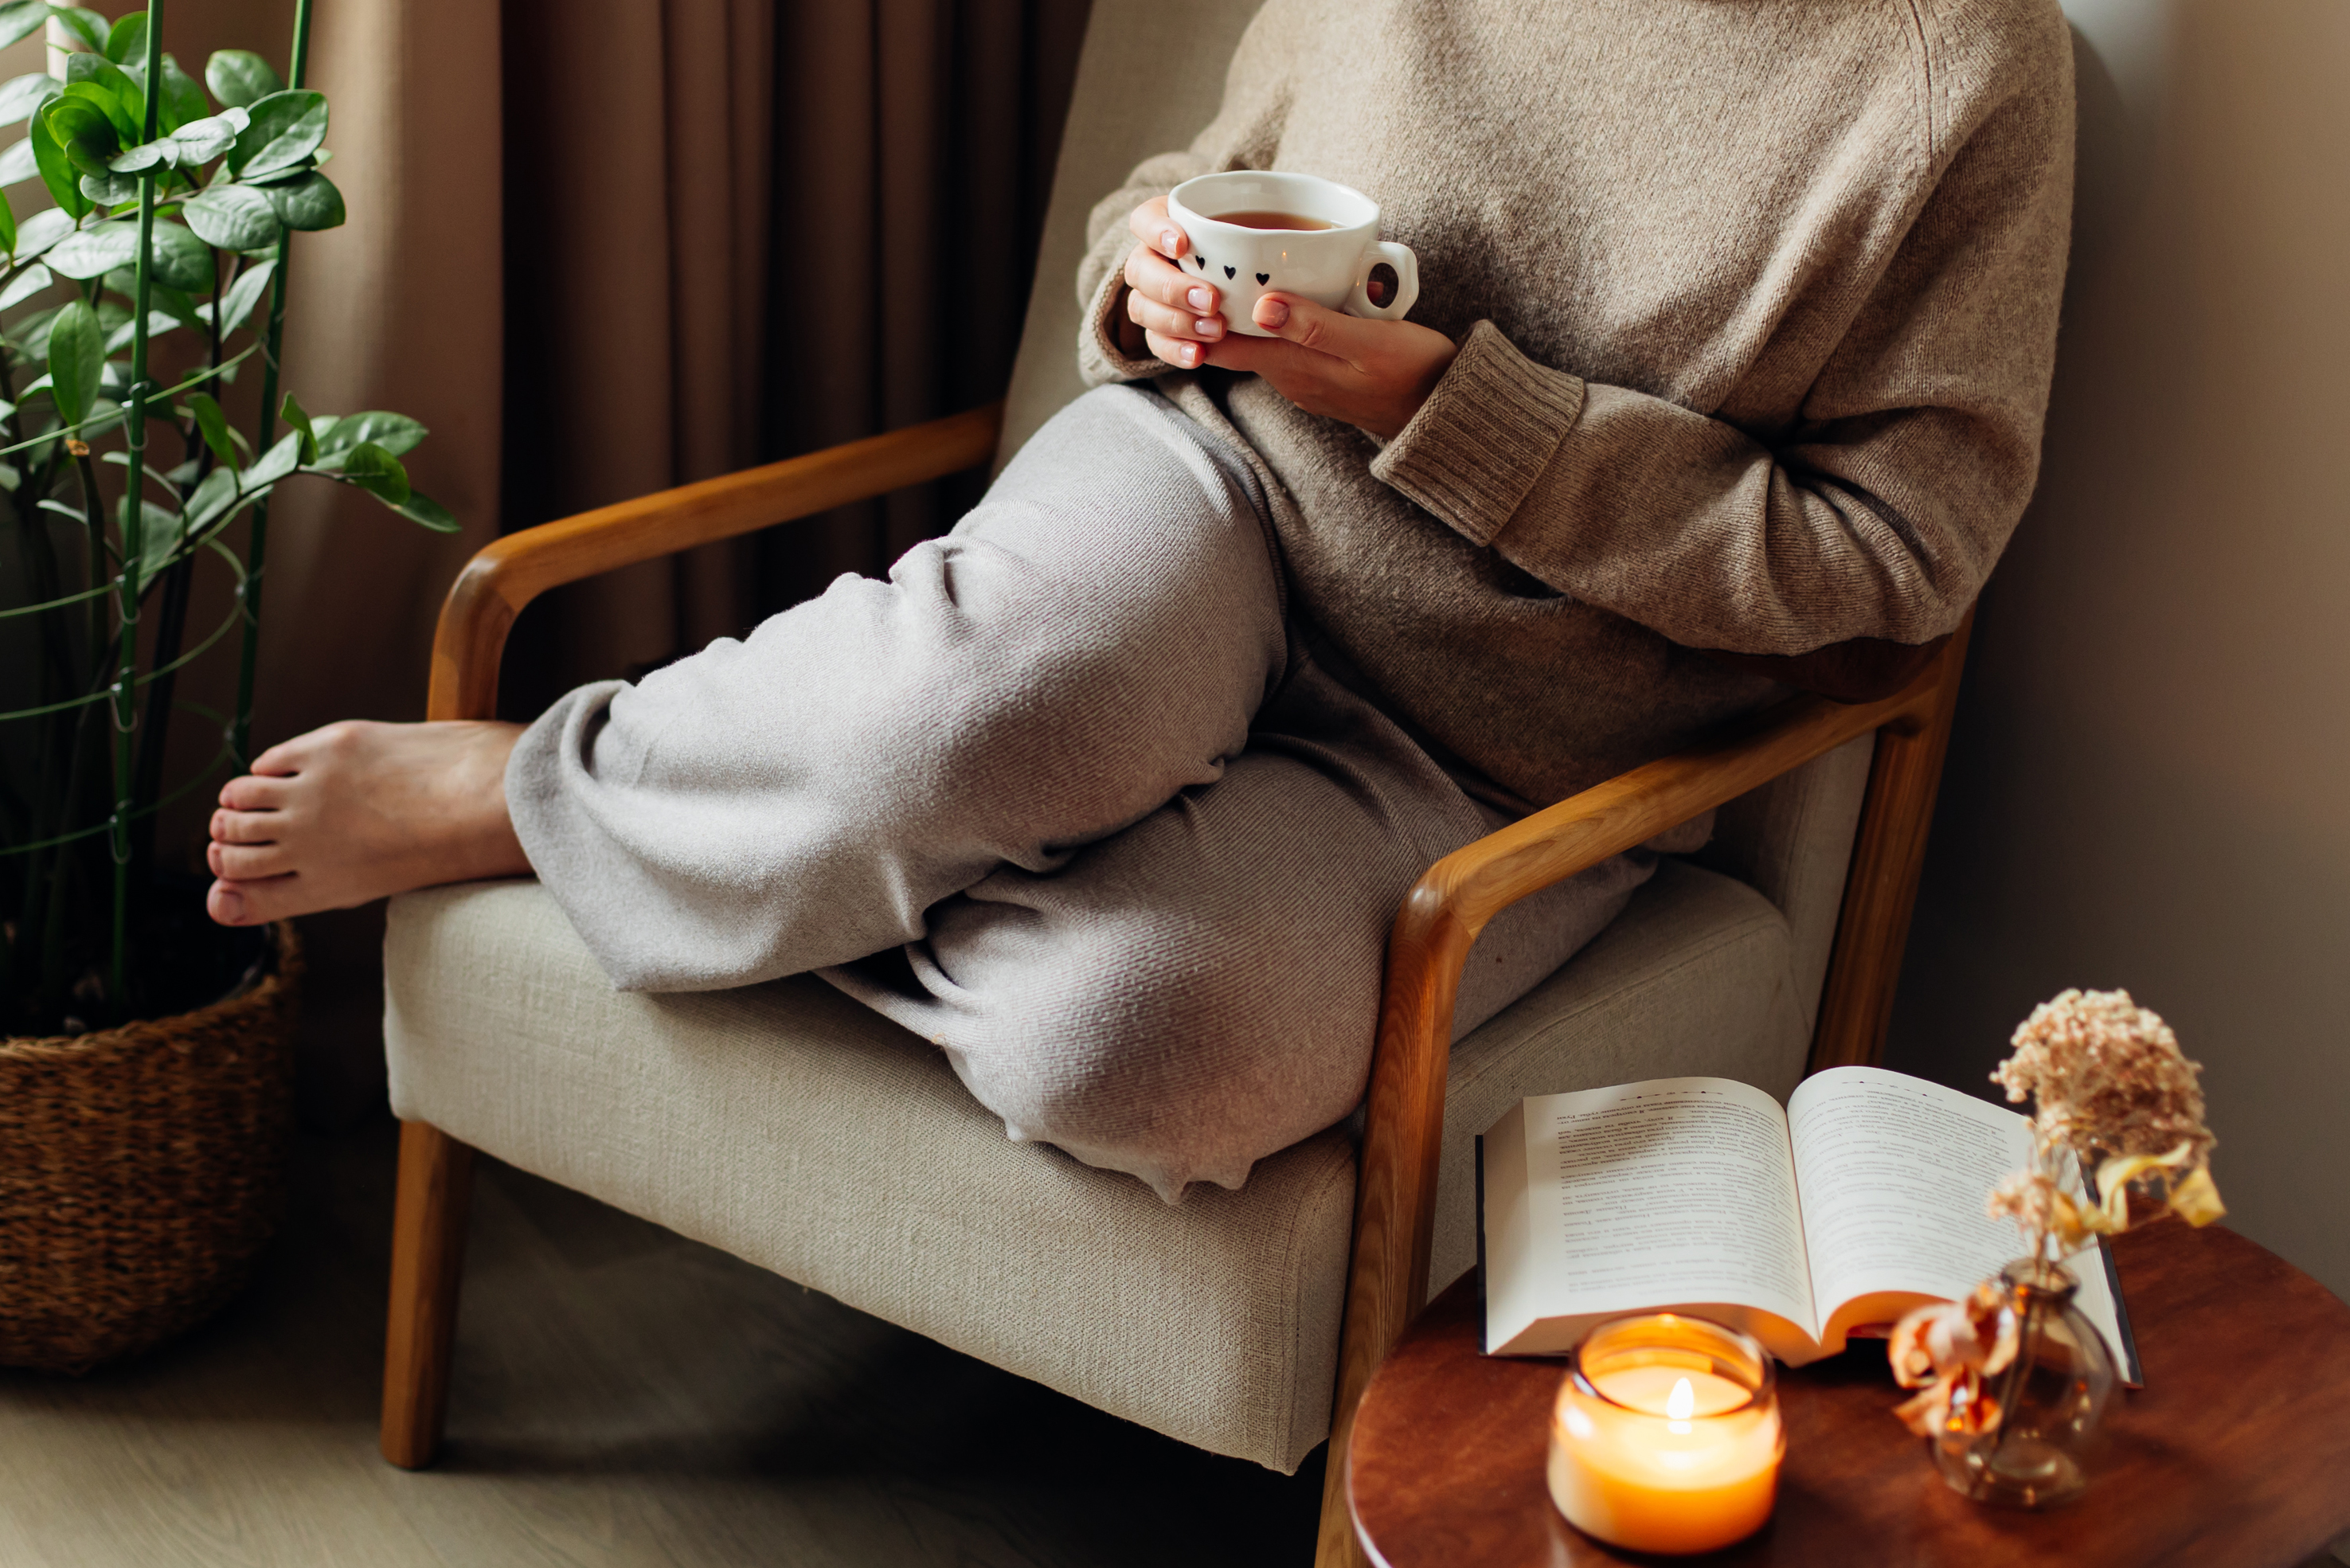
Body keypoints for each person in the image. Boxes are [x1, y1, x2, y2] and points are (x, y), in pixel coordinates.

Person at [204, 0, 2074, 1201]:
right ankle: (552, 780)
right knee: (994, 709)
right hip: (1212, 490)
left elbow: (1899, 560)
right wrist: (1156, 275)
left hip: (1502, 753)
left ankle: (805, 806)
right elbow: (1176, 192)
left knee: (1130, 1051)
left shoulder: (1962, 73)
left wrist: (1449, 408)